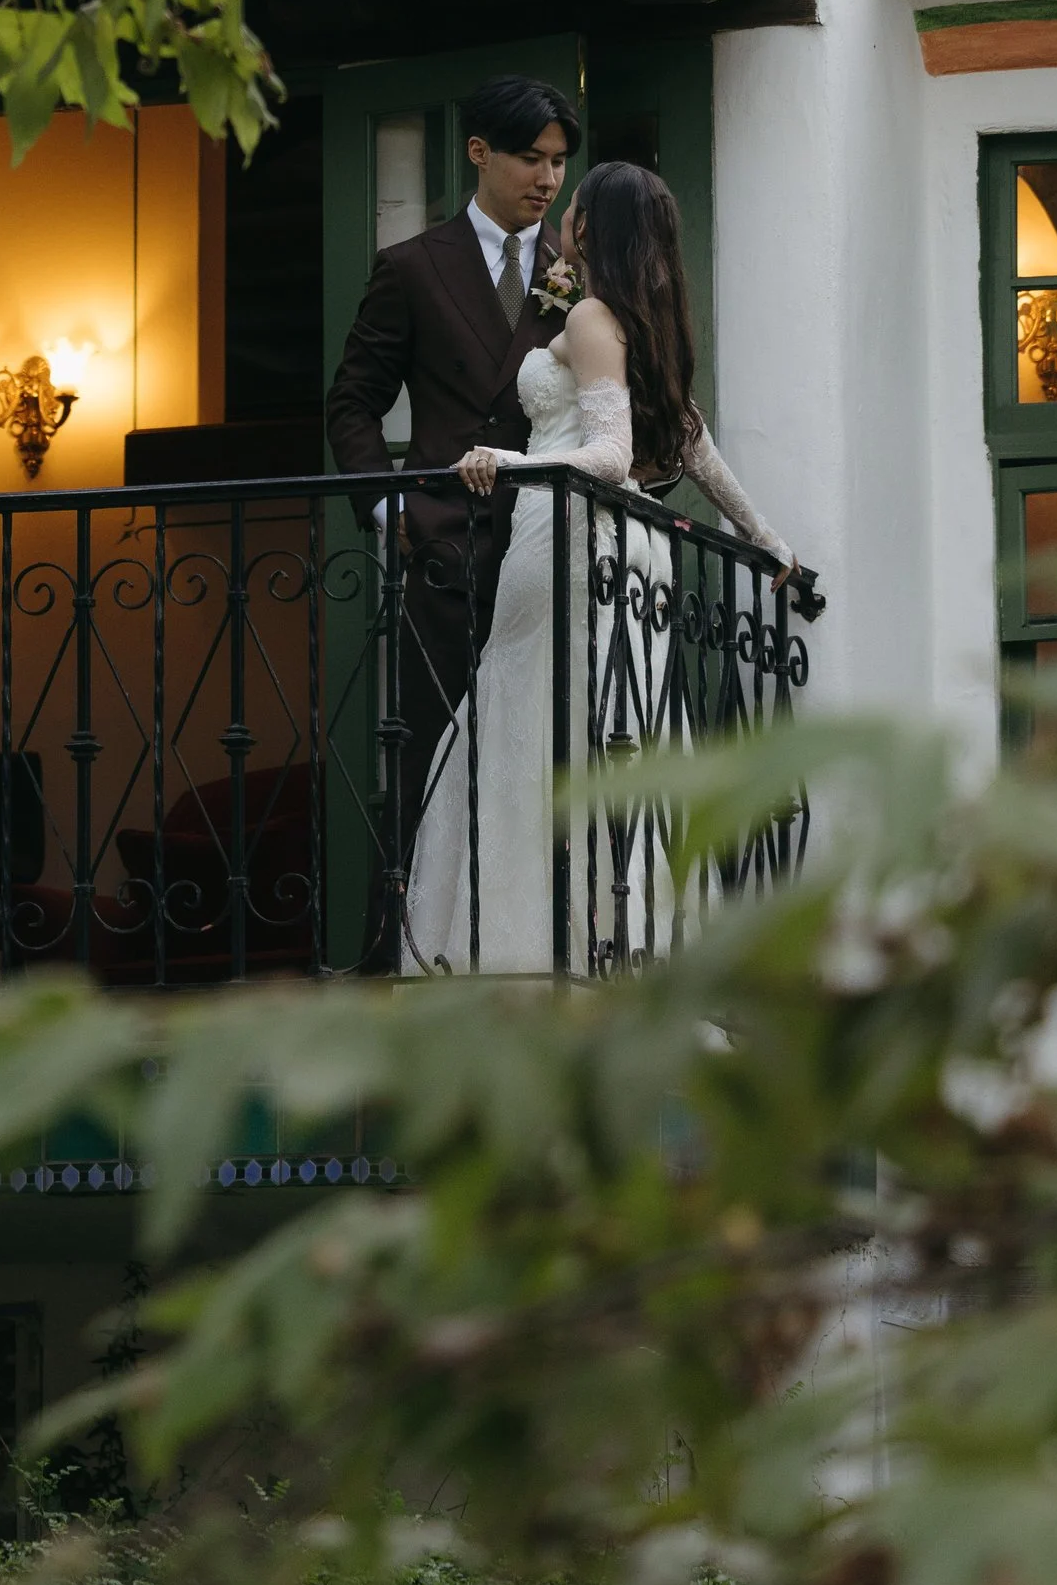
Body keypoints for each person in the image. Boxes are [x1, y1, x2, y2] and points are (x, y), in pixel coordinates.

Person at [400, 158, 814, 979]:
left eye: (574, 199)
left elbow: (612, 453)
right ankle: (610, 946)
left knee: (541, 722)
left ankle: (528, 953)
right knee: (606, 732)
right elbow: (690, 440)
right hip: (619, 552)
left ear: (588, 228)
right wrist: (763, 535)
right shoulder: (634, 318)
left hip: (572, 536)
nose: (561, 203)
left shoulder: (593, 316)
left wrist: (505, 461)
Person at [325, 75, 585, 956]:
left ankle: (532, 953)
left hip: (550, 551)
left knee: (545, 758)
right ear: (479, 152)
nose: (548, 179)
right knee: (426, 763)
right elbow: (352, 403)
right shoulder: (412, 265)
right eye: (530, 158)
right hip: (445, 553)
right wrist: (387, 502)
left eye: (558, 162)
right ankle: (390, 965)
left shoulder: (577, 274)